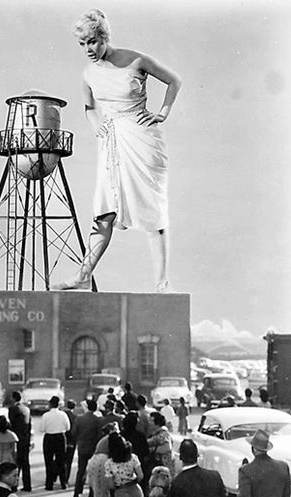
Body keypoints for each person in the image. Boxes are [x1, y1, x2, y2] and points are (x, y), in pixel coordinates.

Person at [53, 9, 181, 292]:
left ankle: (162, 283)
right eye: (83, 44)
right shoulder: (87, 74)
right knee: (103, 213)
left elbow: (174, 81)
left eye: (94, 42)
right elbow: (89, 108)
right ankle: (83, 275)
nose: (89, 49)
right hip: (111, 144)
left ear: (104, 37)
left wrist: (163, 113)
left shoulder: (135, 60)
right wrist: (96, 123)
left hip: (143, 140)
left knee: (153, 210)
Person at [87, 422, 119, 497]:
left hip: (93, 462)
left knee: (97, 496)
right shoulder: (112, 439)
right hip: (102, 463)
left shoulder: (103, 440)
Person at [72, 399, 102, 497]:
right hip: (93, 448)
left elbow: (74, 432)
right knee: (93, 471)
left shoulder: (79, 419)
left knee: (81, 470)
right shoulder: (97, 420)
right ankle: (91, 495)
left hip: (82, 447)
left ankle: (77, 492)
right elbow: (99, 435)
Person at [39, 395, 71, 490]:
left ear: (50, 404)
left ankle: (49, 484)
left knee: (48, 461)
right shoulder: (63, 414)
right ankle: (63, 482)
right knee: (61, 461)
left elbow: (41, 429)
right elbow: (68, 427)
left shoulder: (46, 415)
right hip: (60, 437)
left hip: (49, 437)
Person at [104, 432, 143, 497]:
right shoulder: (133, 458)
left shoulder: (109, 463)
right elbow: (140, 476)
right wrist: (133, 481)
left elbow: (111, 485)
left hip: (121, 492)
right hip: (136, 490)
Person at [8, 390, 33, 491]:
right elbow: (30, 423)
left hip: (17, 438)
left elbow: (12, 423)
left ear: (13, 398)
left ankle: (14, 485)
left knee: (16, 462)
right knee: (25, 462)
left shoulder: (13, 409)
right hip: (26, 437)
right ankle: (27, 485)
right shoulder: (26, 409)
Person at [122, 411, 150, 496]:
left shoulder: (121, 436)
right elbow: (146, 453)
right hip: (138, 467)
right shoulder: (140, 436)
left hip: (122, 467)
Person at [0, 416, 18, 485]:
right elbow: (14, 450)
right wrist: (15, 461)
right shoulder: (11, 435)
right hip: (8, 456)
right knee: (8, 473)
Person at [146, 411, 174, 476]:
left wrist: (152, 449)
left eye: (151, 421)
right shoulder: (156, 433)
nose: (149, 423)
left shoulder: (163, 434)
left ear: (157, 423)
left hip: (164, 468)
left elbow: (167, 448)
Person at [63, 399, 78, 484]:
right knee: (69, 461)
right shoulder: (75, 417)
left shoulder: (63, 414)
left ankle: (56, 476)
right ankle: (66, 479)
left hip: (62, 439)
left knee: (61, 459)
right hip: (71, 441)